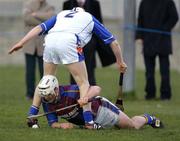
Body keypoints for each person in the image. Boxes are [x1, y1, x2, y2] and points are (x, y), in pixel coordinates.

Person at [8, 7, 127, 128]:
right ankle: (89, 122)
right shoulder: (89, 17)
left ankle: (32, 116)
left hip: (50, 40)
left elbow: (39, 28)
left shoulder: (62, 14)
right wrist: (120, 62)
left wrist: (21, 43)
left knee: (45, 80)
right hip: (69, 41)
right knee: (83, 83)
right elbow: (114, 42)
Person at [27, 75, 163, 129]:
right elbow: (53, 123)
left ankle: (149, 118)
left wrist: (85, 97)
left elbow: (97, 89)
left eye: (50, 95)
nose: (48, 98)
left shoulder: (72, 91)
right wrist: (61, 125)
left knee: (132, 127)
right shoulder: (47, 102)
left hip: (101, 110)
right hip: (88, 123)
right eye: (45, 96)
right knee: (118, 129)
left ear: (56, 89)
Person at [63, 0, 116, 85]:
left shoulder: (94, 4)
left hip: (90, 42)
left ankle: (90, 91)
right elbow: (64, 23)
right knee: (74, 67)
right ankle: (74, 91)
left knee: (89, 67)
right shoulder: (67, 4)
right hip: (73, 42)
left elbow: (99, 23)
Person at [136, 0, 179, 100]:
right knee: (149, 72)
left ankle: (165, 95)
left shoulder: (168, 2)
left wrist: (164, 29)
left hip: (163, 41)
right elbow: (140, 20)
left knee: (164, 71)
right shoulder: (144, 2)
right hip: (148, 41)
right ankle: (150, 94)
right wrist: (139, 36)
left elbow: (174, 17)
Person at [23, 0, 55, 99]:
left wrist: (36, 14)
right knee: (30, 71)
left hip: (43, 45)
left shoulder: (50, 6)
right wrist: (44, 23)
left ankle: (44, 92)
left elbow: (52, 18)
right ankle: (30, 93)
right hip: (30, 45)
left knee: (44, 71)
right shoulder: (28, 4)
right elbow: (27, 18)